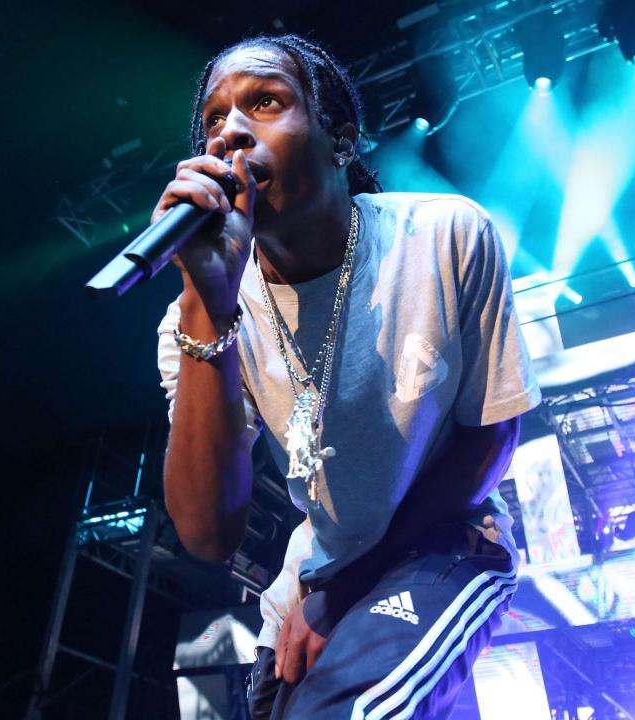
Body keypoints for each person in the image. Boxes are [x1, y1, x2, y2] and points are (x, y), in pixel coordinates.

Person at [155, 33, 540, 719]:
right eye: (214, 119)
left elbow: (492, 442)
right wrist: (206, 307)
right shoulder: (194, 322)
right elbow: (209, 534)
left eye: (264, 101)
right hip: (319, 569)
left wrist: (341, 589)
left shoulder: (445, 236)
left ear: (340, 136)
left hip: (449, 535)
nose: (231, 132)